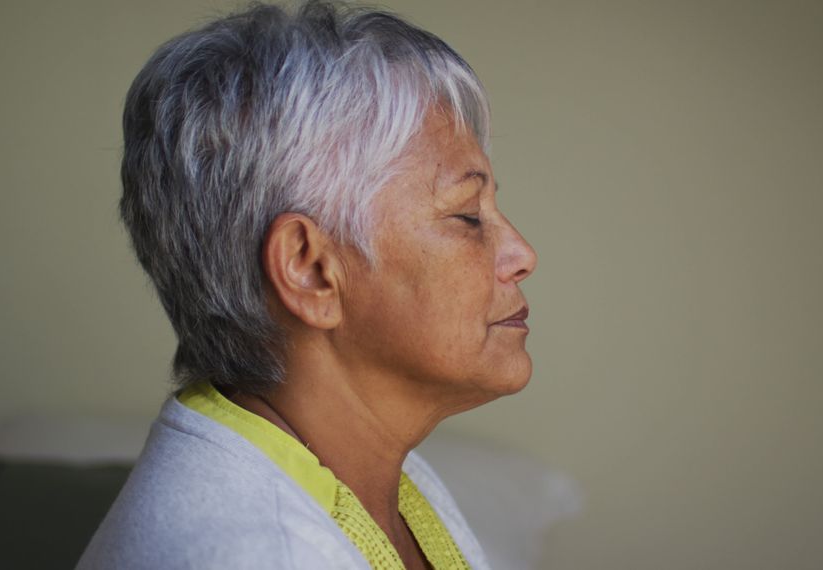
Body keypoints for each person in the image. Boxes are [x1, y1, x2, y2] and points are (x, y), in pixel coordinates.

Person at [79, 1, 537, 568]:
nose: (522, 255)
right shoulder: (259, 554)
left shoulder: (371, 473)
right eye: (467, 216)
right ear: (310, 269)